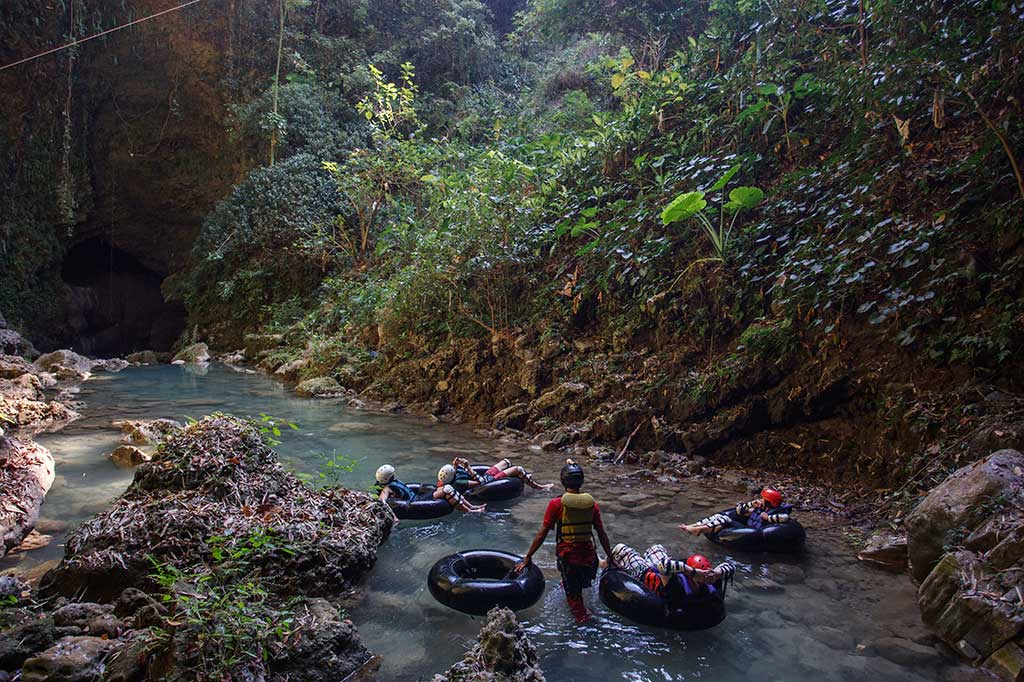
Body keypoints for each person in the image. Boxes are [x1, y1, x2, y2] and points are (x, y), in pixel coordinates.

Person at [514, 459, 615, 623]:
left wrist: (528, 557)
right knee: (581, 586)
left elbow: (542, 534)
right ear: (581, 481)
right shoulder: (592, 504)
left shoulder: (556, 504)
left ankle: (585, 628)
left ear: (562, 481)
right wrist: (611, 557)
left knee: (577, 607)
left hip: (570, 559)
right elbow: (601, 533)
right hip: (590, 559)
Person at [607, 544, 734, 606]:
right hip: (654, 571)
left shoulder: (709, 581)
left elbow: (730, 567)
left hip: (643, 572)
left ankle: (608, 561)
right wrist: (694, 572)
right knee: (656, 547)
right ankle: (604, 564)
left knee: (622, 548)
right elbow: (663, 566)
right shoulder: (679, 581)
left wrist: (715, 573)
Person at [374, 464, 485, 523]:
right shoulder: (387, 488)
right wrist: (394, 517)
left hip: (418, 498)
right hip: (416, 502)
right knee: (447, 490)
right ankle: (470, 511)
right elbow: (382, 501)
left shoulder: (391, 483)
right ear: (389, 477)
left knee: (448, 488)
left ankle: (472, 507)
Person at [679, 487, 793, 536]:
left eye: (764, 499)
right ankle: (695, 526)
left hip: (753, 532)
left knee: (725, 519)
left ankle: (697, 529)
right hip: (746, 527)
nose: (761, 499)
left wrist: (768, 518)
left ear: (769, 502)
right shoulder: (758, 507)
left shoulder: (774, 512)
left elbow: (785, 518)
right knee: (721, 515)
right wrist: (751, 504)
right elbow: (738, 511)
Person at [445, 457, 554, 492]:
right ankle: (539, 487)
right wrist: (468, 468)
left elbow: (455, 469)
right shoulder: (460, 481)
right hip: (489, 481)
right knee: (518, 469)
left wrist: (456, 464)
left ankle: (523, 477)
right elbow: (479, 483)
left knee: (506, 462)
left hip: (485, 475)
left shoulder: (454, 472)